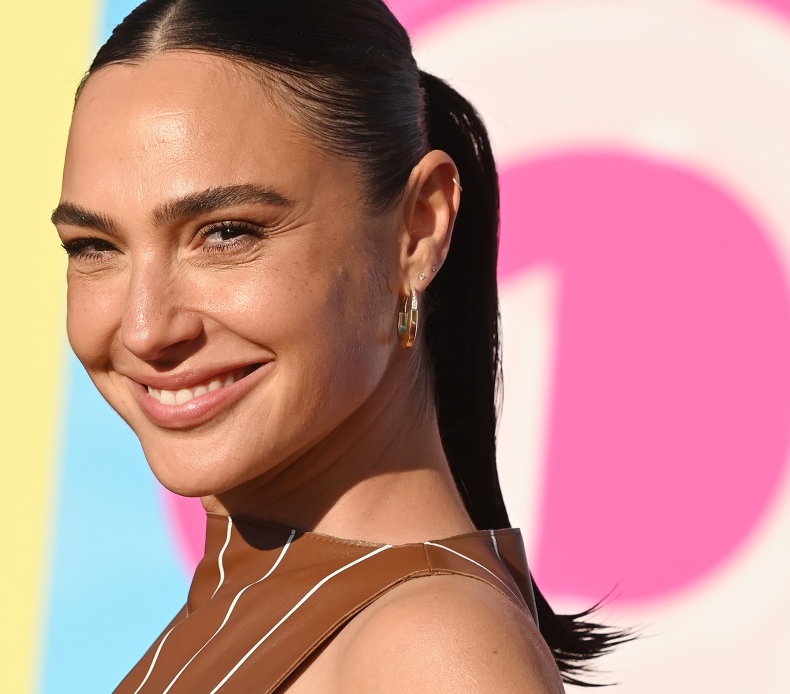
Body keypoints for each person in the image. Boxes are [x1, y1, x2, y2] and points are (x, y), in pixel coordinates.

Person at [52, 0, 627, 691]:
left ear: (418, 229)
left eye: (227, 233)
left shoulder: (433, 651)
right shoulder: (262, 596)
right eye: (94, 246)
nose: (145, 328)